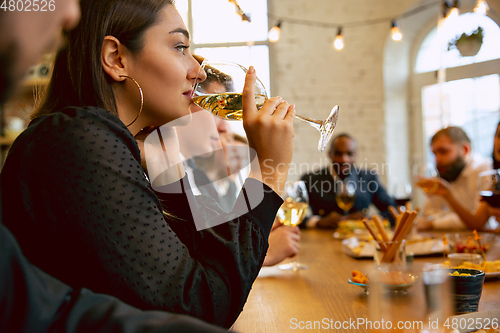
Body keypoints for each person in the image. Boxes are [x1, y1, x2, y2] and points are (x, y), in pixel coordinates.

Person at [1, 0, 295, 328]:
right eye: (180, 46)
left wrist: (189, 159)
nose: (198, 71)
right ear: (116, 58)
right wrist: (268, 172)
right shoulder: (76, 140)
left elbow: (202, 263)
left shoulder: (115, 145)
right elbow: (204, 306)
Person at [300, 133, 396, 229]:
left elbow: (393, 210)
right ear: (329, 154)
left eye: (349, 154)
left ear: (356, 155)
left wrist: (369, 220)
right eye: (338, 154)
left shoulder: (369, 178)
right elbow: (288, 213)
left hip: (360, 241)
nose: (344, 159)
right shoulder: (310, 179)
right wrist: (318, 222)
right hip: (321, 241)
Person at [416, 125, 499, 230]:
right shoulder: (448, 172)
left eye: (443, 151)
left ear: (465, 150)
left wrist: (435, 222)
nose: (437, 160)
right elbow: (428, 214)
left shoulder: (485, 170)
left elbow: (478, 222)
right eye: (434, 154)